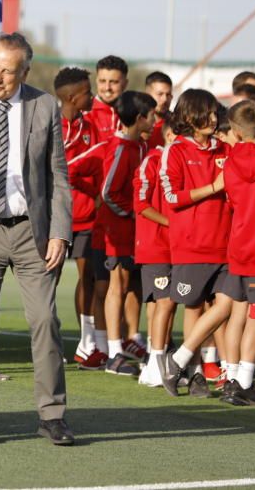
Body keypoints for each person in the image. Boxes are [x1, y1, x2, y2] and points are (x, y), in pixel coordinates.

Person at [0, 32, 73, 446]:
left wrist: (60, 231)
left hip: (31, 232)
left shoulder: (44, 105)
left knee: (44, 320)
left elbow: (59, 175)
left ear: (25, 71)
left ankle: (52, 415)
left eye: (8, 70)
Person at [164, 101, 255, 405]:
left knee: (234, 310)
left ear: (236, 131)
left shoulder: (231, 159)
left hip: (237, 247)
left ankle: (207, 368)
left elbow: (230, 199)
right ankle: (244, 382)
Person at [156, 89, 230, 399]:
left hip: (226, 245)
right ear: (189, 117)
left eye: (215, 113)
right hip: (192, 245)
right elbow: (172, 197)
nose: (214, 119)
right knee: (194, 307)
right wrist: (213, 187)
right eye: (207, 113)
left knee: (226, 305)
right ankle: (196, 373)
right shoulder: (175, 151)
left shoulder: (225, 149)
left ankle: (179, 359)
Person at [94, 91, 156, 377]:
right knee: (116, 286)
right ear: (140, 118)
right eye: (152, 115)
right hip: (118, 231)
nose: (155, 120)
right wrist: (133, 212)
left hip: (135, 232)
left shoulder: (141, 146)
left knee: (132, 286)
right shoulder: (120, 147)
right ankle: (113, 352)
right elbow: (108, 192)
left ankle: (128, 342)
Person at [53, 67, 104, 368]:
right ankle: (47, 341)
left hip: (87, 218)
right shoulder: (48, 123)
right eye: (88, 91)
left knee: (88, 278)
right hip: (56, 219)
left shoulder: (91, 126)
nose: (93, 96)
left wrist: (98, 197)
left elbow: (98, 164)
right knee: (49, 281)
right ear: (73, 96)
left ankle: (86, 345)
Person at [135, 121, 176, 387]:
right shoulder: (152, 161)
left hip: (176, 246)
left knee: (167, 303)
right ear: (170, 135)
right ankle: (153, 363)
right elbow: (141, 204)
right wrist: (174, 224)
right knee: (162, 302)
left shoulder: (178, 160)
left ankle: (157, 362)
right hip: (156, 244)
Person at [89, 55, 128, 143]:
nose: (107, 88)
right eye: (102, 81)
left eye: (113, 82)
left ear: (125, 84)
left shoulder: (135, 115)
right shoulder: (85, 115)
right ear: (96, 81)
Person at [144, 71, 173, 150]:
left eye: (168, 95)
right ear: (147, 95)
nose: (165, 99)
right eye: (160, 94)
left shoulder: (177, 125)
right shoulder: (136, 124)